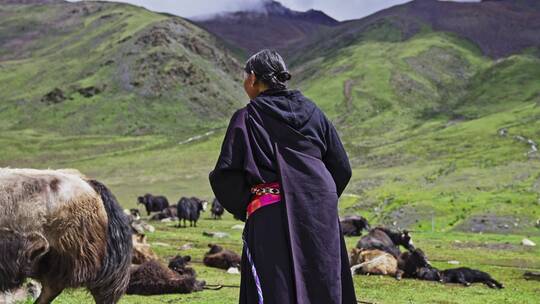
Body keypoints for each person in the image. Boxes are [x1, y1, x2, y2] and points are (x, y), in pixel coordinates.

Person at [209, 49, 357, 304]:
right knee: (321, 284)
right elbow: (341, 167)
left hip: (270, 214)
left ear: (253, 78)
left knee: (276, 288)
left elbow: (227, 175)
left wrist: (249, 203)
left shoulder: (247, 117)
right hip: (320, 216)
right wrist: (314, 198)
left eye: (245, 78)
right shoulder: (315, 113)